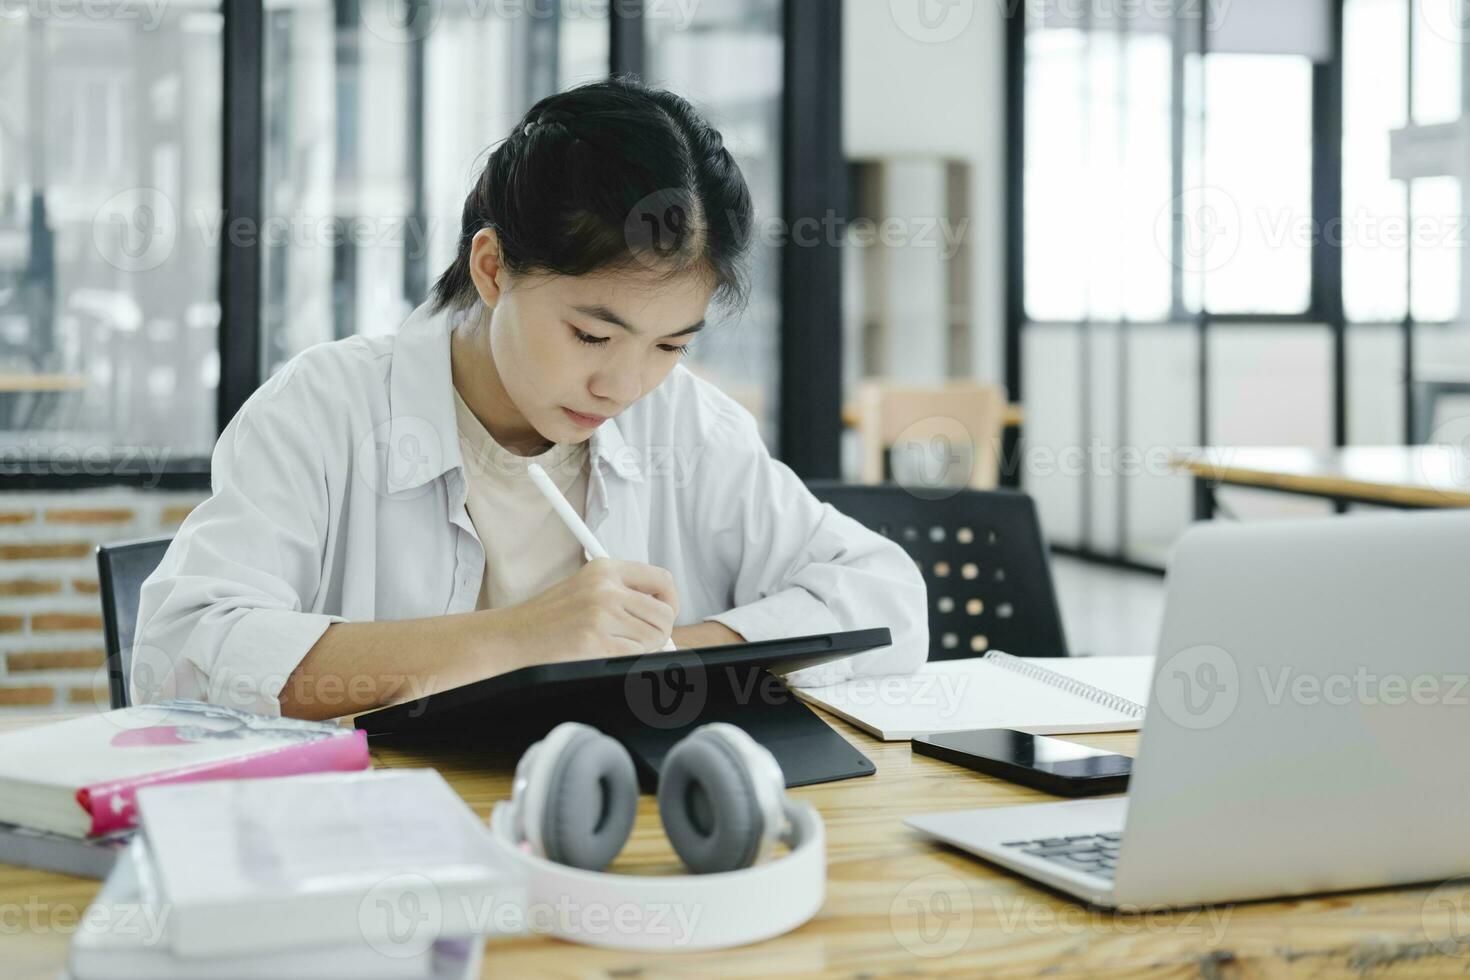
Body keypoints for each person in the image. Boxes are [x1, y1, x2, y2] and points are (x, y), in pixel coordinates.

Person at [132, 78, 928, 721]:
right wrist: (520, 639)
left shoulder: (685, 423)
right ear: (492, 269)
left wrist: (669, 652)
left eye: (671, 345)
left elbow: (883, 595)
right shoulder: (326, 409)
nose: (623, 385)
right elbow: (182, 657)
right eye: (591, 335)